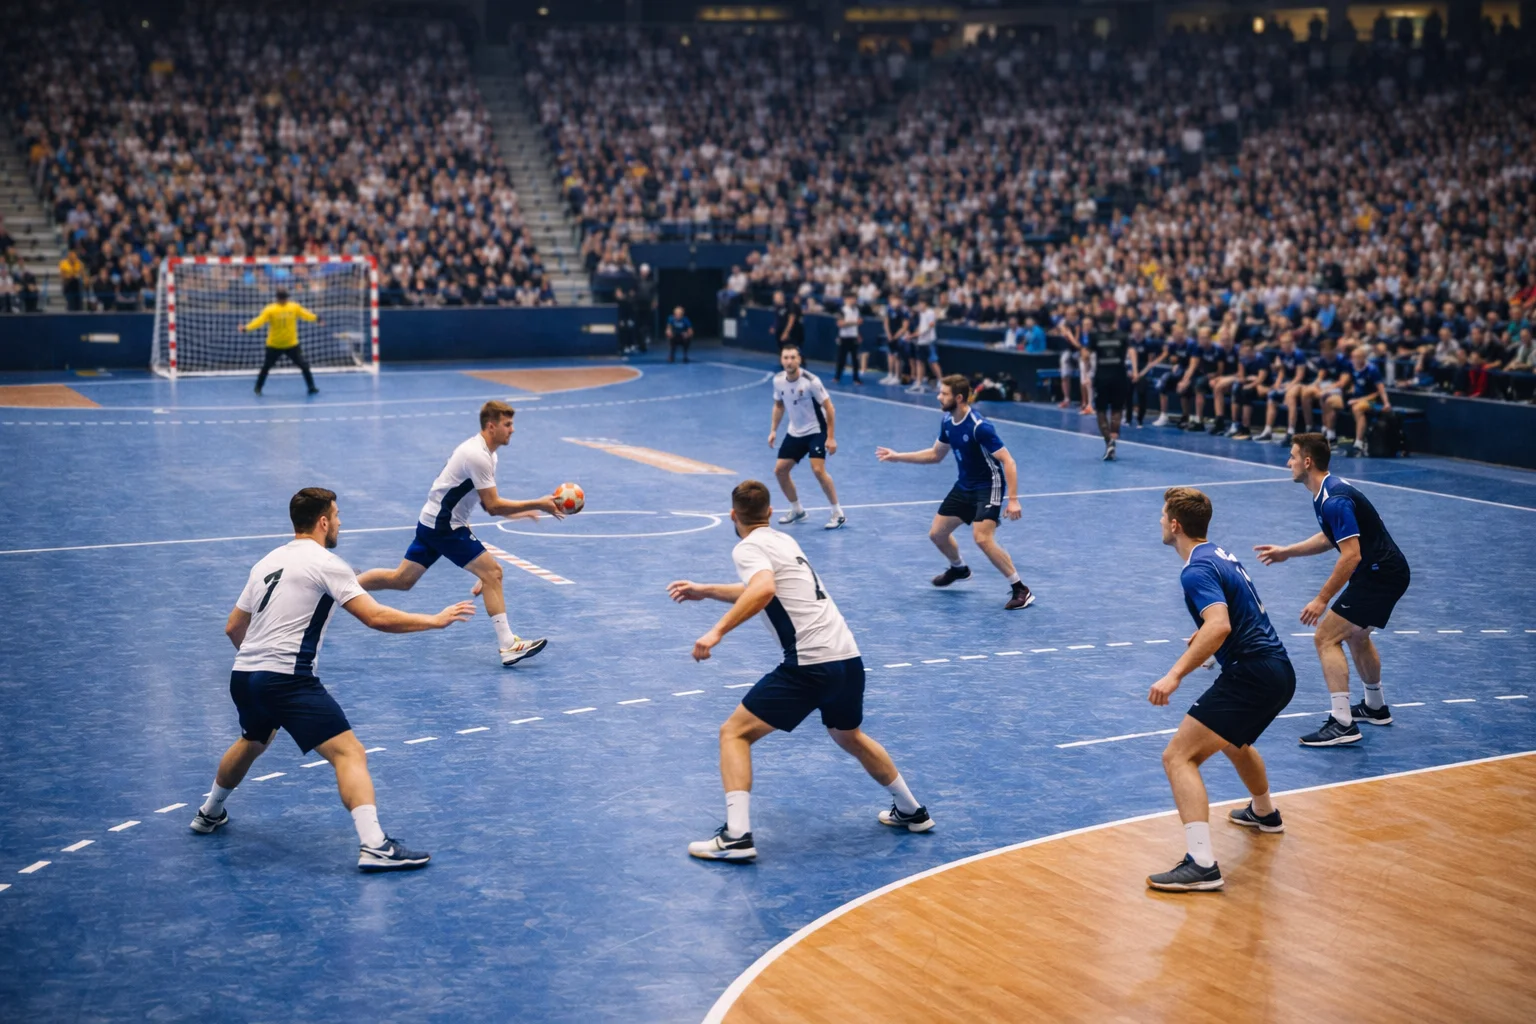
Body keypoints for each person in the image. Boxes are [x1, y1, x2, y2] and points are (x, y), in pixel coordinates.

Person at [192, 488, 475, 871]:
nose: (340, 522)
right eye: (337, 515)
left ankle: (209, 812)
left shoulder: (266, 563)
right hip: (287, 678)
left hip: (244, 676)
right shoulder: (327, 563)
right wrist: (435, 621)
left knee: (253, 740)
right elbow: (375, 617)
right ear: (323, 521)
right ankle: (375, 845)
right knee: (350, 753)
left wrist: (258, 668)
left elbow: (233, 627)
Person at [667, 480, 933, 862]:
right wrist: (706, 590)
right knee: (849, 736)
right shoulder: (783, 541)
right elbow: (766, 585)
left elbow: (763, 590)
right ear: (771, 513)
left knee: (734, 734)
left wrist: (717, 631)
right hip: (847, 656)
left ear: (732, 515)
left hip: (811, 662)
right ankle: (912, 810)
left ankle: (737, 837)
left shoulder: (747, 547)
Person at [1146, 487, 1295, 892]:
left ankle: (1202, 864)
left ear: (1176, 525)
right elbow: (1236, 616)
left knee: (1178, 756)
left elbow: (1220, 625)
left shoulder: (1194, 570)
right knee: (1233, 741)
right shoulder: (1220, 554)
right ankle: (1265, 813)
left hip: (1252, 674)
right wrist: (1206, 644)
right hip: (1278, 671)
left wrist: (1175, 675)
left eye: (1163, 516)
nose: (1160, 521)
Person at [356, 401, 566, 667]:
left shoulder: (489, 453)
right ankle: (508, 646)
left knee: (402, 579)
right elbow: (492, 506)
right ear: (491, 426)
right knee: (493, 573)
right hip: (444, 526)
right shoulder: (477, 455)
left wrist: (518, 513)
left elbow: (477, 501)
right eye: (507, 424)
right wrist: (537, 503)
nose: (512, 430)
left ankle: (345, 585)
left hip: (433, 521)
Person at [1254, 434, 1411, 746]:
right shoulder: (1328, 490)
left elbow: (1351, 555)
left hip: (1379, 574)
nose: (1289, 463)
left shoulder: (1334, 499)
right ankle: (1375, 707)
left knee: (1326, 637)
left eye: (1293, 456)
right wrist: (1288, 551)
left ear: (1307, 462)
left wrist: (1321, 599)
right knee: (1357, 634)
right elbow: (1332, 538)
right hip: (1382, 571)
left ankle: (1342, 723)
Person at [876, 375, 1034, 610]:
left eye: (944, 393)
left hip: (988, 486)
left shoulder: (980, 427)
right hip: (964, 486)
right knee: (937, 535)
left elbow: (1008, 461)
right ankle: (959, 568)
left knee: (982, 538)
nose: (939, 397)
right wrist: (897, 456)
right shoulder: (948, 421)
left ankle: (1021, 589)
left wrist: (1013, 500)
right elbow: (935, 455)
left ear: (958, 398)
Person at [769, 344, 845, 530]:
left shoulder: (811, 381)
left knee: (818, 470)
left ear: (799, 360)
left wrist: (831, 437)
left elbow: (829, 408)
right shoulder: (778, 381)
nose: (789, 361)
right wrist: (773, 430)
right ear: (782, 360)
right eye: (785, 357)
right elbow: (779, 406)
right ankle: (797, 510)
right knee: (780, 471)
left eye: (792, 357)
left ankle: (838, 513)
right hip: (795, 431)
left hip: (817, 431)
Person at [244, 287, 319, 395]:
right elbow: (259, 321)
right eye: (282, 298)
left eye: (285, 298)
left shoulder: (294, 307)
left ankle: (311, 387)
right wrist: (246, 328)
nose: (284, 300)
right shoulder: (270, 309)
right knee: (266, 367)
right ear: (278, 298)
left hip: (291, 344)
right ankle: (258, 388)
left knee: (304, 366)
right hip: (274, 345)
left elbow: (305, 314)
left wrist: (316, 318)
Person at [1090, 322, 1136, 460]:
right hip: (1119, 379)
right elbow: (1132, 351)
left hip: (1102, 379)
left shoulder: (1096, 337)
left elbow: (1086, 355)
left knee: (1101, 411)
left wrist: (1087, 373)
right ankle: (1113, 439)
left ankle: (1108, 441)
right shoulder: (1123, 337)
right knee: (1117, 410)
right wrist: (1135, 370)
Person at [1345, 346, 1391, 454]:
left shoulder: (1372, 370)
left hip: (1374, 402)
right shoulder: (1351, 367)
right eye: (1353, 357)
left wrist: (1386, 403)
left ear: (1363, 358)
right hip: (1357, 399)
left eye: (1357, 357)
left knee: (1357, 408)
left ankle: (1359, 442)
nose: (1355, 360)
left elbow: (1379, 390)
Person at [907, 297, 940, 393]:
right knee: (919, 362)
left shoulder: (930, 313)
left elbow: (929, 327)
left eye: (921, 303)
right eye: (919, 304)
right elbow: (920, 326)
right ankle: (918, 383)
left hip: (929, 341)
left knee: (933, 362)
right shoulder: (921, 313)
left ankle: (941, 381)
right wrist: (915, 335)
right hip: (921, 341)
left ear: (925, 304)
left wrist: (915, 335)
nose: (919, 306)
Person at [880, 293, 908, 384]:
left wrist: (896, 336)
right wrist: (889, 335)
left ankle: (897, 376)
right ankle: (890, 374)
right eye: (892, 300)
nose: (894, 302)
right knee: (890, 355)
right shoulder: (889, 309)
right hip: (890, 336)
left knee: (897, 357)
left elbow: (905, 327)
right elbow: (886, 323)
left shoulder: (903, 311)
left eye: (896, 300)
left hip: (899, 337)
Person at [835, 295, 863, 384]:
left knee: (855, 359)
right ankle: (837, 377)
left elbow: (857, 324)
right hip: (844, 337)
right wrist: (854, 322)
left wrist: (858, 334)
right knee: (841, 358)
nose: (853, 301)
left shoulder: (856, 310)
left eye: (854, 299)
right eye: (851, 299)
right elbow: (840, 323)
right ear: (846, 300)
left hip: (853, 337)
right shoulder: (842, 310)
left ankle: (856, 378)